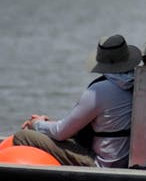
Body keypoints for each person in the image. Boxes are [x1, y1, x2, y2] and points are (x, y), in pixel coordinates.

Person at [13, 34, 139, 167]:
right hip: (127, 161)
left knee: (23, 136)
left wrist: (36, 124)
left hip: (101, 163)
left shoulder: (99, 90)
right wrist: (48, 124)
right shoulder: (139, 85)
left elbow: (61, 132)